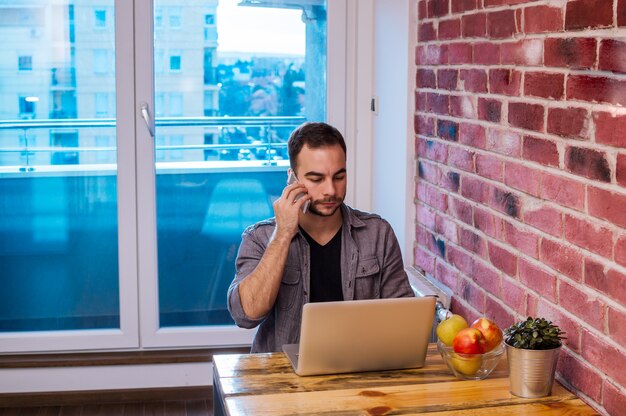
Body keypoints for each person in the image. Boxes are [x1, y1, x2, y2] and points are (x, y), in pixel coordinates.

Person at [227, 122, 414, 353]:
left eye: (339, 177)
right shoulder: (260, 237)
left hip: (358, 371)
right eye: (316, 179)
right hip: (283, 379)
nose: (331, 191)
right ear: (292, 179)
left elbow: (404, 319)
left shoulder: (378, 233)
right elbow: (246, 315)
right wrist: (284, 233)